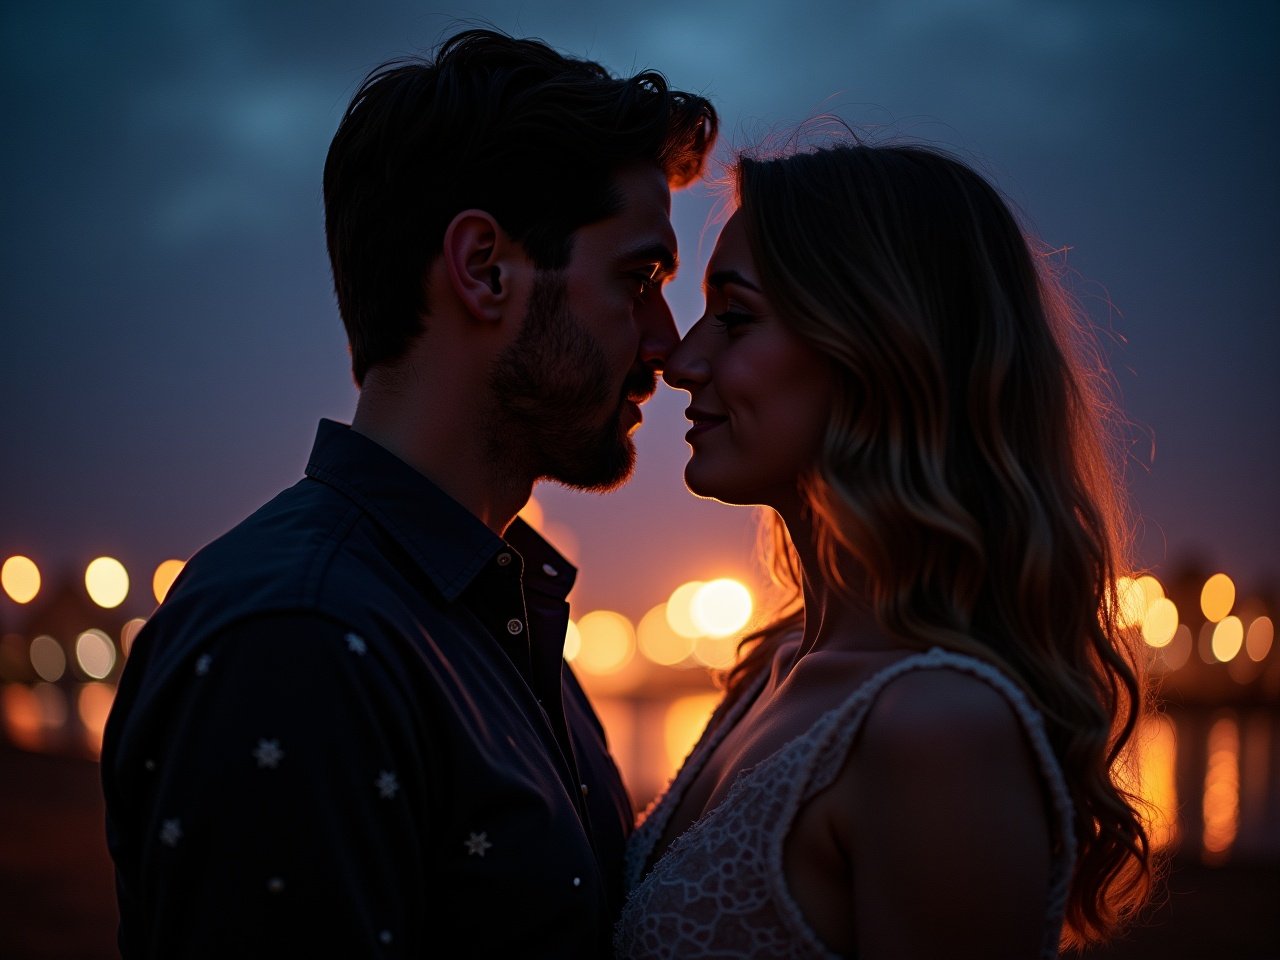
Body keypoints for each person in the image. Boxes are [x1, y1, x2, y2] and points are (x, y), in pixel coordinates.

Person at [100, 28, 716, 959]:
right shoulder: (301, 641)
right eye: (638, 278)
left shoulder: (493, 615)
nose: (667, 345)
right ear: (484, 268)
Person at [614, 140, 1154, 959]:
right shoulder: (770, 672)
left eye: (735, 316)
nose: (683, 361)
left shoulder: (937, 728)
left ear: (879, 348)